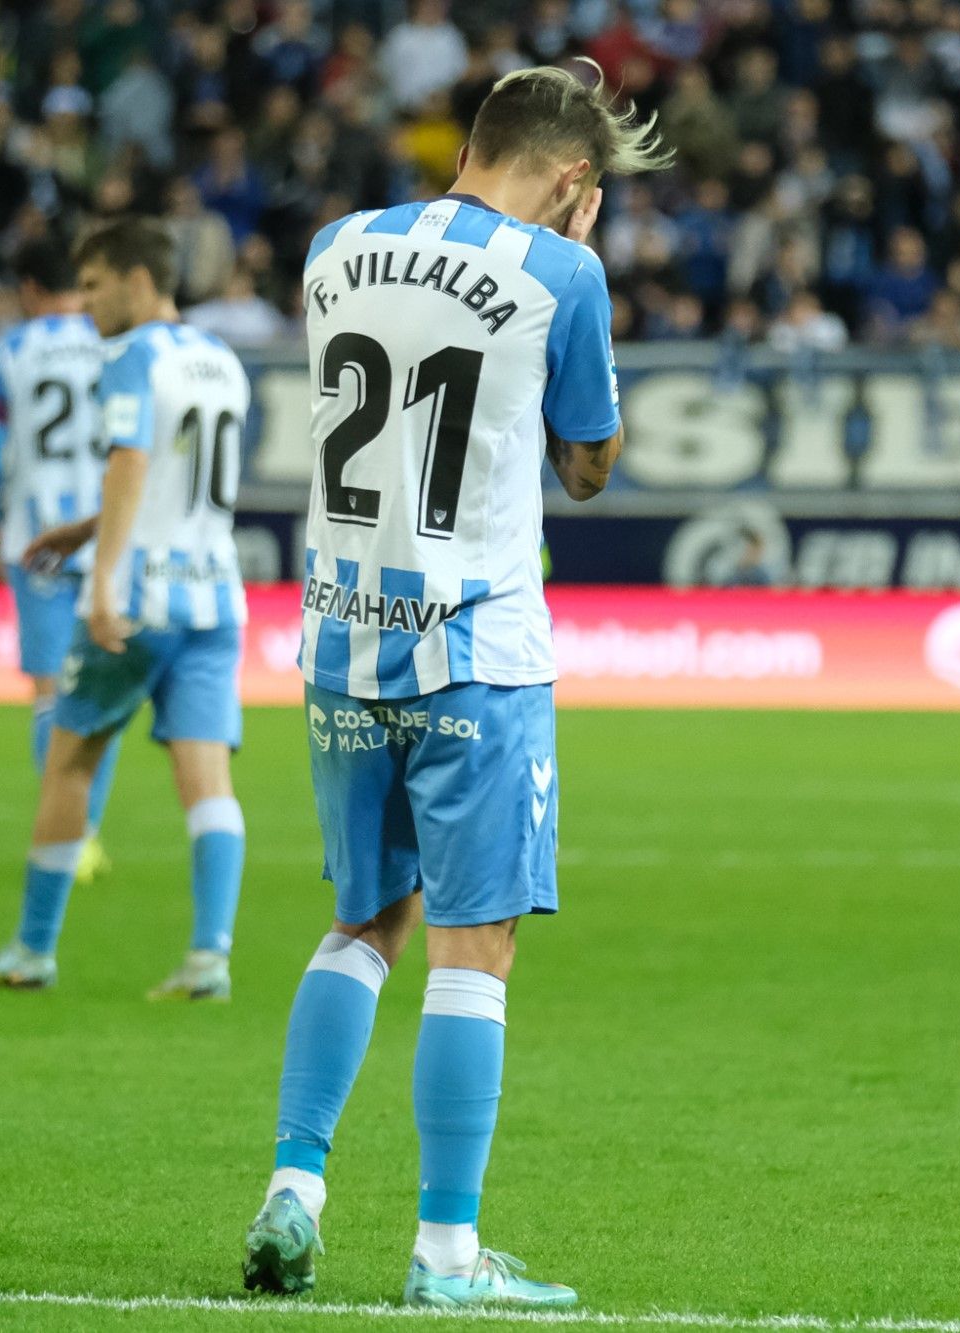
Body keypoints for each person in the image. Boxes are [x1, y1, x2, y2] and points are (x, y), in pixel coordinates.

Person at [242, 60, 666, 1310]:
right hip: (474, 651)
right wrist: (573, 268)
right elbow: (584, 468)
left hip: (340, 639)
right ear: (575, 181)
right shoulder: (563, 272)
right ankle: (444, 1255)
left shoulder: (333, 246)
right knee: (471, 954)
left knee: (362, 923)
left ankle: (293, 1187)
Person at [0, 219, 249, 1002]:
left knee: (69, 758)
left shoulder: (131, 358)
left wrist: (102, 580)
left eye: (93, 287)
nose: (85, 306)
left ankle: (32, 949)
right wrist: (83, 528)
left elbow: (130, 464)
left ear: (136, 279)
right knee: (207, 780)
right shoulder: (221, 360)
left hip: (141, 597)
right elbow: (172, 479)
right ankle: (209, 957)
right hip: (216, 595)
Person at [0, 238, 121, 886]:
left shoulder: (10, 353)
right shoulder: (117, 341)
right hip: (105, 533)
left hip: (36, 538)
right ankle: (89, 829)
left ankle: (68, 832)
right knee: (102, 694)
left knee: (47, 691)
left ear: (30, 288)